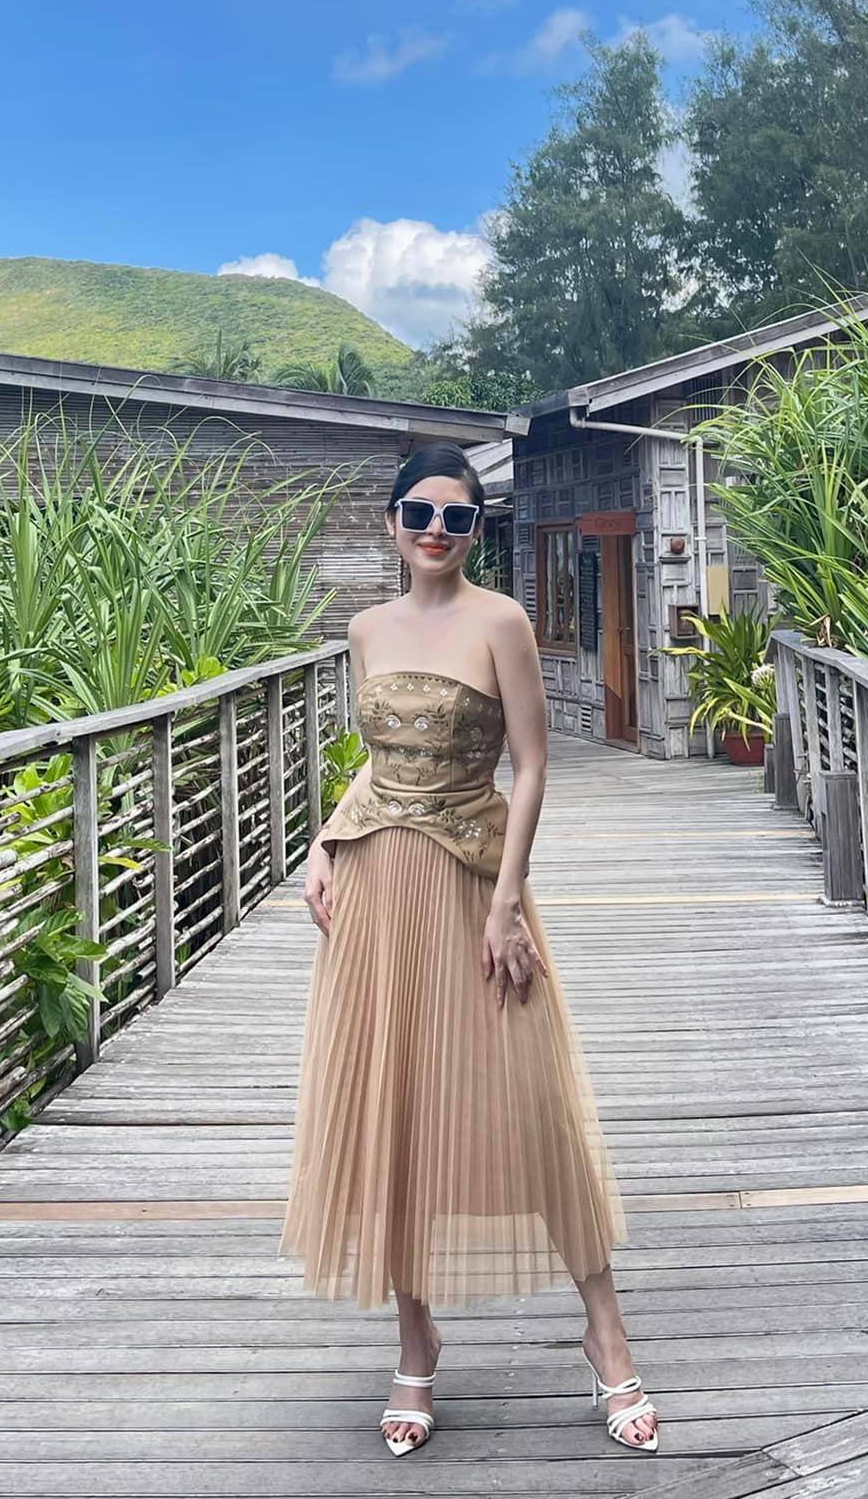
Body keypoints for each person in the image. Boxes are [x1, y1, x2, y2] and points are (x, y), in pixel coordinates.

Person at [279, 443, 658, 1457]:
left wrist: (506, 905)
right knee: (392, 1100)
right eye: (419, 513)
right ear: (391, 521)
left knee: (532, 1099)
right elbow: (376, 760)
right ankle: (416, 1337)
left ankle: (605, 1329)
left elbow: (530, 767)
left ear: (476, 529)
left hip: (472, 885)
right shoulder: (366, 628)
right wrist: (324, 840)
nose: (435, 532)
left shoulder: (502, 621)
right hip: (373, 886)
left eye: (455, 517)